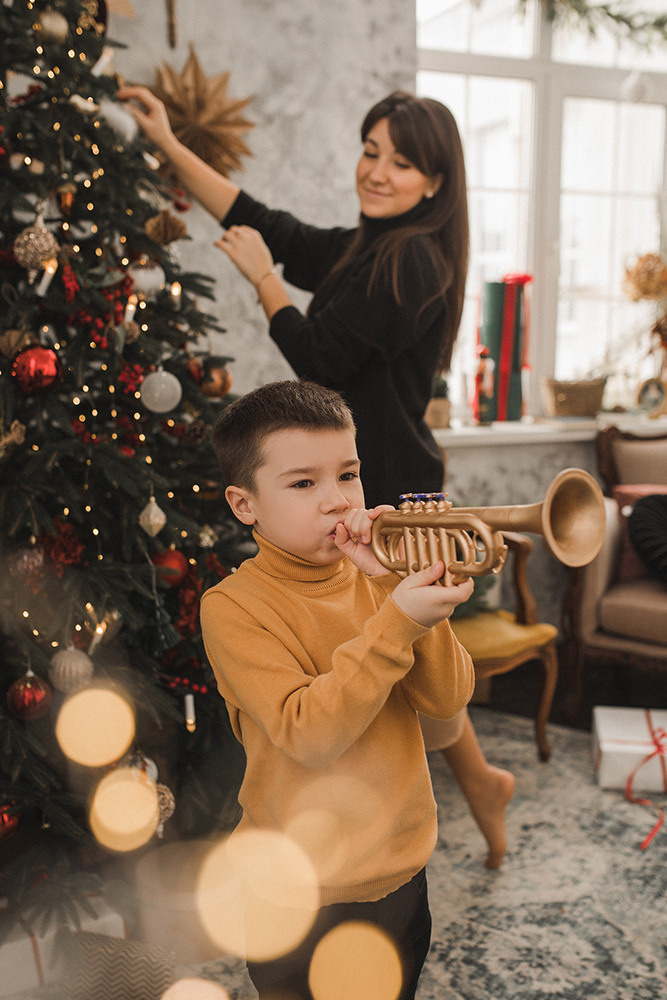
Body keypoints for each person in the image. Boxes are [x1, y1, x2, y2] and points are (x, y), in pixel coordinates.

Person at [120, 85, 515, 868]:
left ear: (434, 182)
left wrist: (265, 282)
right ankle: (476, 783)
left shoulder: (413, 258)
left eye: (402, 163)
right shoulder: (370, 245)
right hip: (360, 467)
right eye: (371, 151)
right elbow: (261, 218)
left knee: (403, 659)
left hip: (385, 475)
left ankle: (458, 789)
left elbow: (323, 359)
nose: (377, 171)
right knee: (383, 651)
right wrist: (167, 142)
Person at [199, 379, 475, 1000]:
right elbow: (309, 733)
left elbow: (447, 700)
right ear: (245, 505)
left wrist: (407, 602)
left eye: (348, 475)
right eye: (303, 483)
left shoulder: (378, 580)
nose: (336, 501)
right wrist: (398, 619)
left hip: (401, 871)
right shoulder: (234, 608)